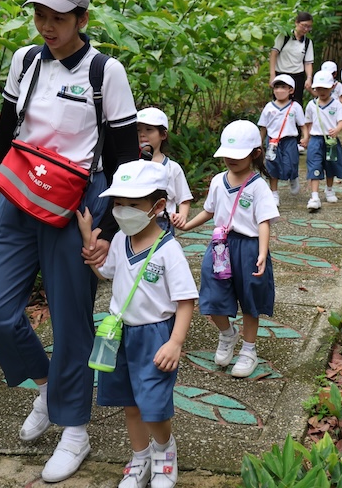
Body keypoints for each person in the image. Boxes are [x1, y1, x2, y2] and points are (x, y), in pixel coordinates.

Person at [0, 0, 139, 483]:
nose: (46, 27)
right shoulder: (27, 60)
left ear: (82, 18)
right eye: (39, 16)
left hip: (76, 207)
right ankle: (47, 388)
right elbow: (2, 135)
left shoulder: (105, 72)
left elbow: (123, 158)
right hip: (17, 195)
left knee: (71, 322)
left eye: (57, 19)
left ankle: (74, 429)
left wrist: (105, 229)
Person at [78, 160, 198, 488]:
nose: (122, 211)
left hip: (155, 336)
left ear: (158, 206)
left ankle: (163, 451)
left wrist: (175, 342)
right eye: (118, 204)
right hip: (118, 333)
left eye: (133, 205)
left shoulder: (168, 251)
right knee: (129, 405)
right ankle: (140, 456)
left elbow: (186, 300)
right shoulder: (120, 241)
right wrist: (90, 244)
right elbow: (107, 275)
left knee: (154, 407)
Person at [181, 120, 278, 378]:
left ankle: (249, 350)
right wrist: (188, 226)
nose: (230, 160)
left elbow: (264, 221)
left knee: (250, 300)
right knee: (212, 296)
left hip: (248, 247)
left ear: (255, 154)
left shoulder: (258, 186)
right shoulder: (217, 181)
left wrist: (262, 253)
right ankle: (227, 334)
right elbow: (209, 210)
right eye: (227, 154)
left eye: (238, 155)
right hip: (220, 247)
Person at [135, 107, 193, 230]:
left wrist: (182, 215)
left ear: (163, 134)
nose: (142, 134)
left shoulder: (172, 168)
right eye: (138, 130)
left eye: (149, 129)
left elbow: (184, 199)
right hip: (136, 222)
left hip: (163, 223)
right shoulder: (132, 165)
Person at [257, 75, 309, 206]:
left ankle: (293, 177)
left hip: (289, 140)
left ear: (291, 90)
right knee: (272, 166)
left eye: (283, 87)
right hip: (272, 142)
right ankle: (274, 193)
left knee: (291, 163)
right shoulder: (269, 107)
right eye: (277, 87)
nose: (279, 90)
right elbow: (263, 127)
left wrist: (305, 136)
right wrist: (259, 143)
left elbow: (302, 124)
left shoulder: (295, 107)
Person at [304, 71, 342, 211]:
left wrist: (337, 130)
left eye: (325, 88)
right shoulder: (311, 105)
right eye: (318, 88)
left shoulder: (336, 104)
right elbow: (308, 122)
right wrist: (307, 137)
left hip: (331, 141)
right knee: (314, 165)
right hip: (316, 140)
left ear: (333, 87)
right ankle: (314, 196)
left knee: (331, 165)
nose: (322, 91)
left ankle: (329, 189)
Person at [269, 12, 314, 101]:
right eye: (303, 25)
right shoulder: (284, 36)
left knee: (296, 103)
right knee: (279, 102)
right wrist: (272, 75)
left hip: (298, 76)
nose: (306, 29)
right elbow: (273, 54)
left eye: (309, 27)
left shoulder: (308, 42)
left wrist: (309, 78)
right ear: (296, 23)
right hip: (281, 74)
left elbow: (308, 63)